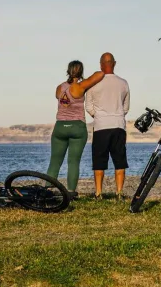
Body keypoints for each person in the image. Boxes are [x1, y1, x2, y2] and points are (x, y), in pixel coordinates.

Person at [48, 60, 105, 196]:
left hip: (60, 126)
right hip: (77, 127)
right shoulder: (80, 86)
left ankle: (47, 190)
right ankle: (71, 192)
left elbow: (60, 97)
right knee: (73, 162)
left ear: (68, 71)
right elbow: (100, 74)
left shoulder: (59, 88)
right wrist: (84, 79)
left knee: (55, 161)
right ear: (80, 72)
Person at [85, 52, 130, 201]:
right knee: (119, 161)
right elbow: (126, 107)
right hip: (118, 124)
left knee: (99, 161)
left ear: (100, 64)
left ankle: (98, 193)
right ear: (114, 63)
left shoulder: (94, 83)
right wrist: (116, 114)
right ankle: (119, 192)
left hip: (101, 126)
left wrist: (98, 116)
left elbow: (88, 105)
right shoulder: (123, 83)